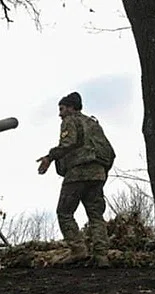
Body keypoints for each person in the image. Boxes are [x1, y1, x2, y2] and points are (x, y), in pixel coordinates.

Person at [36, 92, 115, 268]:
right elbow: (110, 152)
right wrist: (101, 172)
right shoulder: (93, 124)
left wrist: (50, 157)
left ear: (71, 108)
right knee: (96, 215)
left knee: (64, 212)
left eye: (62, 109)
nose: (60, 114)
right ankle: (101, 256)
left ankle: (78, 250)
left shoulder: (70, 121)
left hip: (77, 174)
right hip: (97, 174)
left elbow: (68, 143)